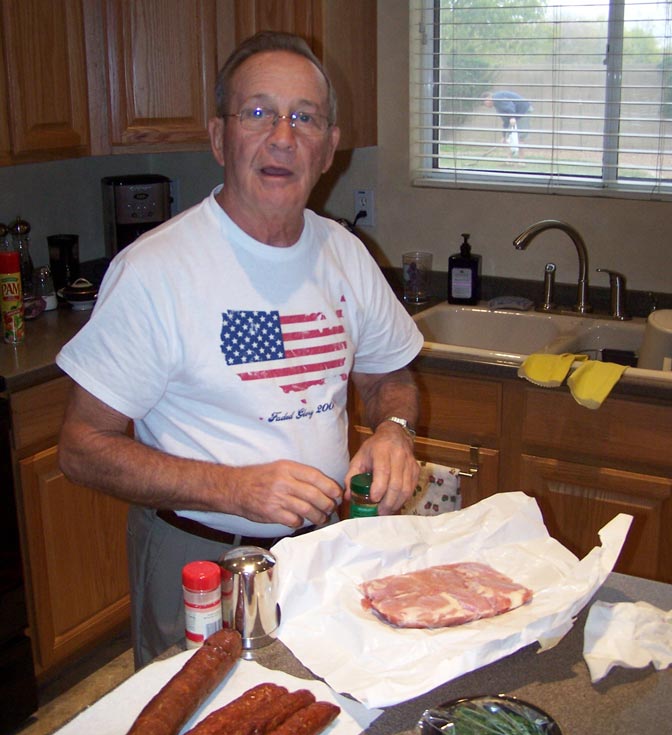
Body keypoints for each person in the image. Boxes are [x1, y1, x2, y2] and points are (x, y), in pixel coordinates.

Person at [56, 31, 424, 668]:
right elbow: (81, 448)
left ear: (330, 146)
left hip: (319, 552)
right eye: (257, 113)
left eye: (304, 117)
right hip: (197, 558)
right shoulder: (156, 271)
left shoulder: (345, 254)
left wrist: (394, 431)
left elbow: (390, 375)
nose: (283, 136)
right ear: (219, 137)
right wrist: (233, 489)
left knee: (313, 726)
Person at [481, 90, 531, 157]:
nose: (485, 105)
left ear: (488, 98)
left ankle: (521, 162)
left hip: (523, 111)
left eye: (484, 102)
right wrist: (504, 136)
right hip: (515, 114)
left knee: (520, 137)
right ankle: (508, 161)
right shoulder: (497, 106)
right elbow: (506, 121)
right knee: (508, 138)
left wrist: (512, 117)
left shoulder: (497, 97)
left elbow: (510, 105)